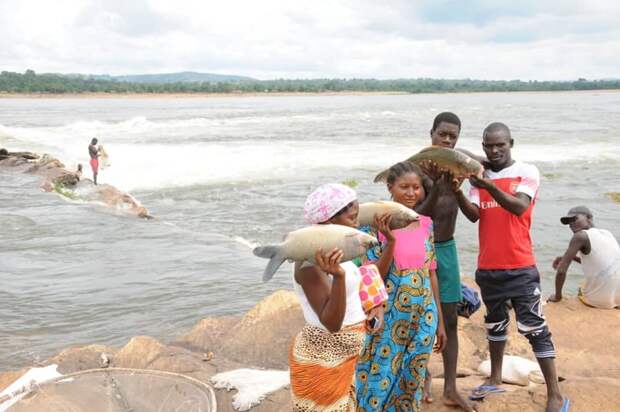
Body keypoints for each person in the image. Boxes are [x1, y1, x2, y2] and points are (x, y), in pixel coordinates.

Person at [460, 122, 567, 412]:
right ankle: (495, 377)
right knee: (495, 324)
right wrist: (457, 186)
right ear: (483, 146)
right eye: (489, 146)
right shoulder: (478, 177)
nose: (494, 150)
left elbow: (519, 207)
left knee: (535, 329)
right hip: (488, 267)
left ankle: (554, 394)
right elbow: (473, 216)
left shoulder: (527, 171)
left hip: (520, 266)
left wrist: (488, 185)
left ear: (511, 143)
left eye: (500, 145)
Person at [355, 161, 446, 411]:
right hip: (388, 316)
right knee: (378, 376)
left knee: (411, 379)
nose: (411, 193)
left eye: (416, 187)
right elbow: (372, 275)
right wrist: (391, 242)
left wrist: (439, 321)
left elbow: (431, 273)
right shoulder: (374, 224)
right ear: (390, 187)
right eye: (404, 187)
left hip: (423, 315)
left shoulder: (426, 223)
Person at [290, 183, 381, 411]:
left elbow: (358, 284)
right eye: (348, 210)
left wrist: (373, 306)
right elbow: (331, 323)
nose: (355, 213)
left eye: (354, 206)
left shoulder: (340, 252)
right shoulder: (309, 263)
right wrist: (338, 278)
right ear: (328, 222)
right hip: (322, 359)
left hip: (345, 360)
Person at [415, 111, 476, 410]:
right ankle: (420, 377)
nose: (448, 140)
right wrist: (436, 185)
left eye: (453, 136)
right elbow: (416, 218)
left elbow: (474, 214)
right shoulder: (416, 168)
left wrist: (457, 187)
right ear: (432, 133)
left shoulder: (459, 165)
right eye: (443, 134)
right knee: (417, 318)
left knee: (449, 319)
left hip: (446, 248)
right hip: (419, 249)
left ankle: (450, 388)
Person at [548, 206, 620, 309]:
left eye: (574, 219)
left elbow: (561, 271)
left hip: (599, 301)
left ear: (589, 217)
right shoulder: (607, 233)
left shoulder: (580, 236)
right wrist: (571, 258)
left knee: (582, 288)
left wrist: (557, 297)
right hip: (618, 298)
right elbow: (601, 263)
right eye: (569, 222)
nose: (571, 224)